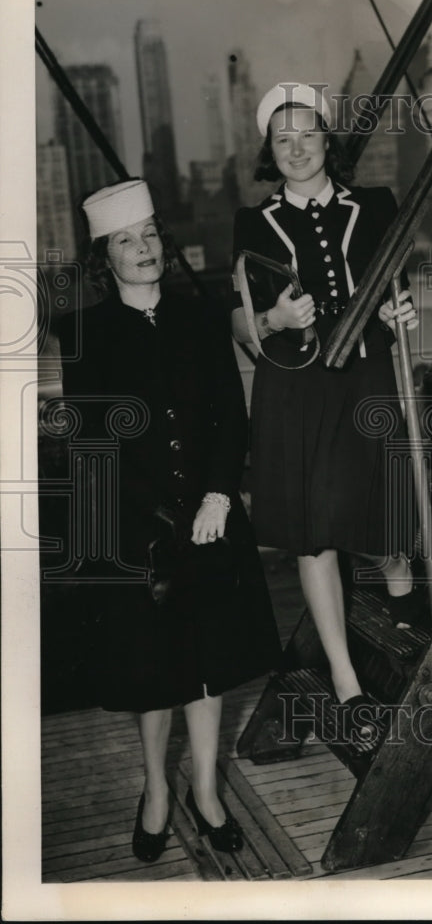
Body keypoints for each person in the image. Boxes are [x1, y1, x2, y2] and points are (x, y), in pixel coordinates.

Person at [58, 178, 282, 863]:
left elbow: (230, 418)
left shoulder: (199, 317)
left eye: (150, 234)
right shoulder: (87, 336)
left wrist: (218, 497)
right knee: (153, 670)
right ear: (106, 258)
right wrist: (150, 521)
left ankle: (206, 792)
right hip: (138, 533)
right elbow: (93, 444)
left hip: (210, 521)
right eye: (127, 241)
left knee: (211, 664)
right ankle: (156, 789)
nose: (144, 248)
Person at [231, 82, 419, 748]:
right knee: (314, 533)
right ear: (269, 153)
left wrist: (401, 311)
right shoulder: (253, 223)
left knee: (383, 521)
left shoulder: (374, 204)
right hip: (297, 388)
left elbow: (398, 283)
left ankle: (398, 578)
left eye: (307, 134)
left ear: (327, 142)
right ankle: (345, 681)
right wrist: (276, 319)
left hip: (366, 375)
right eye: (283, 140)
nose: (297, 148)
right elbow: (240, 320)